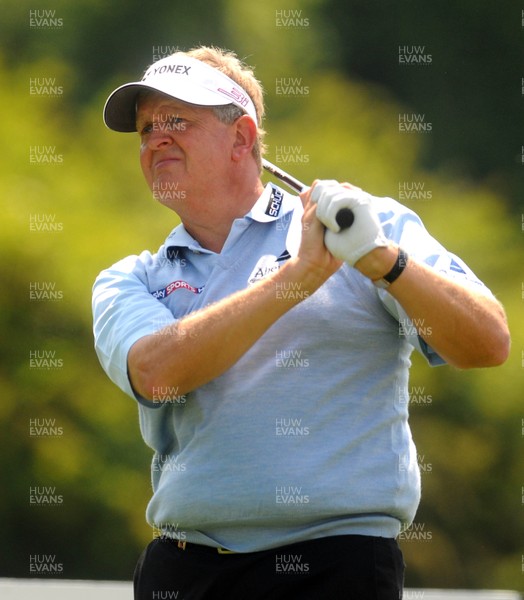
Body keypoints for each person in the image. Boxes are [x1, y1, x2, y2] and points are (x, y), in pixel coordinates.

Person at [92, 45, 510, 599]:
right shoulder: (130, 279)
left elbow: (488, 342)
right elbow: (157, 372)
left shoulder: (364, 226)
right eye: (145, 130)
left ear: (242, 137)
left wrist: (384, 261)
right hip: (187, 570)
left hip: (339, 566)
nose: (155, 140)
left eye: (177, 121)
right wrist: (300, 278)